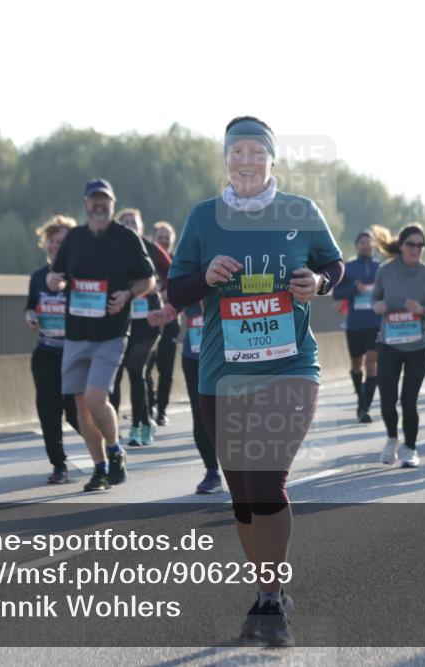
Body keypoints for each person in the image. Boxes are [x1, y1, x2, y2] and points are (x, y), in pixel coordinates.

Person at [167, 116, 344, 646]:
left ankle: (270, 598)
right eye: (235, 152)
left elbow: (334, 266)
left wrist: (317, 281)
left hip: (290, 367)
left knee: (267, 479)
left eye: (254, 151)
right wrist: (205, 278)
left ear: (271, 159)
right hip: (221, 374)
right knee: (242, 494)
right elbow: (175, 292)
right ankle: (268, 588)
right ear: (226, 159)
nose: (244, 160)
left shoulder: (301, 212)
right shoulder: (203, 218)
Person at [47, 179, 156, 492]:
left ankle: (114, 448)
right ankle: (100, 469)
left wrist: (126, 295)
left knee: (97, 399)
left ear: (112, 202)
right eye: (93, 200)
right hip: (76, 333)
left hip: (111, 332)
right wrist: (55, 281)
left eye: (104, 200)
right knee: (81, 407)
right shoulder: (75, 239)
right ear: (85, 204)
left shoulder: (126, 238)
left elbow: (147, 280)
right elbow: (59, 275)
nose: (99, 205)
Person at [372, 226, 425, 468]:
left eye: (420, 245)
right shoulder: (385, 271)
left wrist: (421, 310)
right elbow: (375, 300)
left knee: (409, 399)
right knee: (387, 398)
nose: (416, 249)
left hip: (419, 345)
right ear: (401, 246)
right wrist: (378, 307)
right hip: (390, 343)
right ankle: (392, 438)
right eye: (411, 244)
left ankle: (410, 448)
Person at [25, 215, 80, 484]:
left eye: (62, 241)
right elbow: (31, 305)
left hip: (75, 353)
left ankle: (105, 451)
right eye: (51, 240)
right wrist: (30, 318)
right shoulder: (37, 277)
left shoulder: (81, 276)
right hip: (46, 352)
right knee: (48, 412)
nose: (55, 246)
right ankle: (59, 465)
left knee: (75, 412)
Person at [109, 208, 170, 447]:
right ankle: (124, 425)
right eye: (125, 222)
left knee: (136, 367)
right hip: (123, 319)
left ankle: (138, 426)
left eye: (134, 221)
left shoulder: (153, 250)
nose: (130, 225)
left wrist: (162, 292)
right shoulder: (114, 250)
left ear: (142, 226)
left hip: (150, 319)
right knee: (121, 371)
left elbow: (175, 273)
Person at [332, 227, 382, 423]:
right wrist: (354, 289)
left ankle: (365, 408)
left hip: (375, 323)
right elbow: (337, 294)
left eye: (369, 242)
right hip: (354, 325)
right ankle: (361, 398)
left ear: (374, 245)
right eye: (362, 242)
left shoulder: (380, 268)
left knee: (372, 362)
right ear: (357, 246)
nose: (366, 245)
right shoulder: (349, 267)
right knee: (356, 365)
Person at [180, 302, 223, 492]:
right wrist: (165, 309)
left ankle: (251, 470)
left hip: (229, 354)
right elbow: (175, 294)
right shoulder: (190, 276)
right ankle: (212, 472)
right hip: (194, 355)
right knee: (199, 413)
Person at [146, 221, 179, 425]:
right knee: (145, 367)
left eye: (167, 238)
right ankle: (148, 407)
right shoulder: (146, 261)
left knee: (166, 370)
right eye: (160, 237)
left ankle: (162, 411)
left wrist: (171, 294)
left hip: (170, 321)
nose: (164, 241)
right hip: (147, 322)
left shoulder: (177, 263)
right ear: (153, 239)